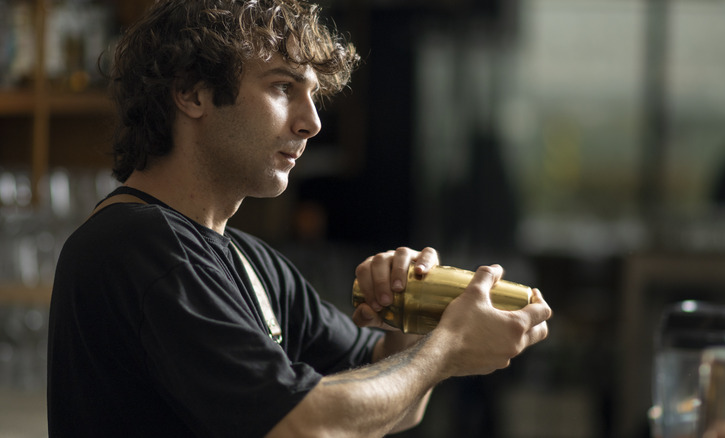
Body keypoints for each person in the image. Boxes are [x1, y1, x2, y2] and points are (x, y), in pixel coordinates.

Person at [46, 0, 552, 436]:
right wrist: (447, 351)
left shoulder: (253, 262)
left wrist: (406, 322)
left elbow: (399, 406)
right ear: (192, 93)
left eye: (314, 94)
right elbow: (304, 425)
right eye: (283, 87)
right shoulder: (137, 246)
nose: (312, 123)